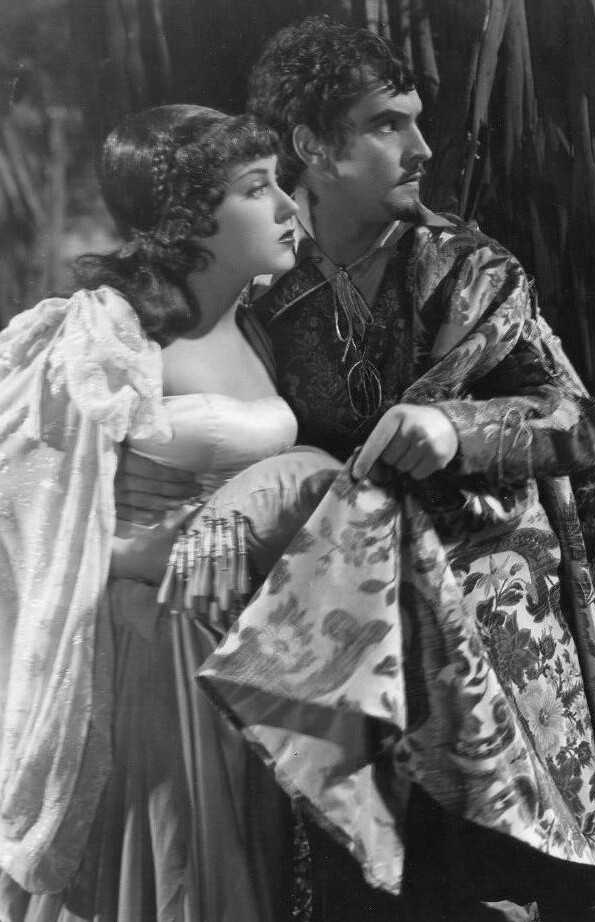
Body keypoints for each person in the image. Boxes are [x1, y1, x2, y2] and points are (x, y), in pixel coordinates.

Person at [173, 15, 595, 922]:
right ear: (311, 144)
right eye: (386, 124)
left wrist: (454, 425)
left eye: (416, 120)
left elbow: (578, 423)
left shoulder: (467, 268)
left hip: (493, 634)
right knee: (371, 891)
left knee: (528, 882)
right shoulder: (264, 287)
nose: (421, 148)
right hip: (348, 645)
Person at [0, 104, 340, 921]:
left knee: (245, 861)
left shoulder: (264, 321)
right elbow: (18, 491)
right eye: (256, 188)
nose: (287, 205)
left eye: (279, 183)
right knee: (174, 861)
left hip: (241, 631)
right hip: (147, 644)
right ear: (188, 220)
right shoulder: (103, 335)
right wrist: (123, 554)